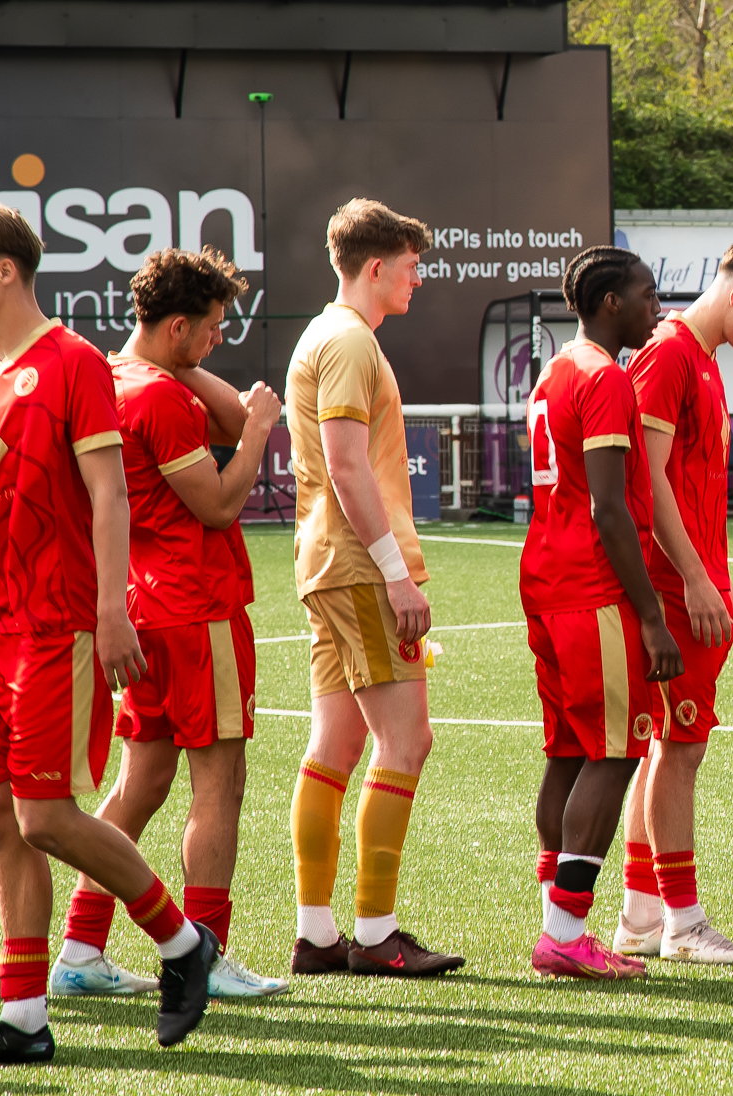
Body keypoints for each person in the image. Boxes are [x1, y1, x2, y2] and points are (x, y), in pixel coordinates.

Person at [0, 199, 217, 1065]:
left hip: (55, 625)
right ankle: (23, 1019)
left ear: (5, 270)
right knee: (0, 818)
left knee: (44, 816)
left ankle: (181, 943)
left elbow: (110, 494)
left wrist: (112, 611)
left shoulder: (75, 362)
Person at [50, 248, 292, 1000]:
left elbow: (221, 405)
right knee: (219, 783)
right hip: (196, 610)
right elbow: (218, 502)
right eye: (211, 327)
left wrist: (184, 363)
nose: (219, 340)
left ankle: (81, 949)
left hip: (144, 611)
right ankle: (205, 956)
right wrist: (258, 434)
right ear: (177, 325)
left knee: (142, 783)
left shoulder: (116, 378)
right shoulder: (157, 397)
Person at [284, 199, 463, 979]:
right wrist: (396, 573)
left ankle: (317, 933)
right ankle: (376, 932)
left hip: (327, 561)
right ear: (377, 266)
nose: (417, 279)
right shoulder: (351, 339)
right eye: (412, 267)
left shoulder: (329, 334)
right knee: (405, 741)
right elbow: (347, 464)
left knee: (336, 746)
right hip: (359, 565)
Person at [613, 235, 733, 965]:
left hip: (689, 585)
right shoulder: (668, 355)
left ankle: (640, 916)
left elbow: (690, 489)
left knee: (667, 746)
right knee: (680, 749)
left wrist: (719, 581)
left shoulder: (702, 360)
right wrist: (693, 580)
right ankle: (683, 922)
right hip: (668, 589)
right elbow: (648, 480)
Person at [522, 245, 679, 980]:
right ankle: (565, 932)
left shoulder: (555, 371)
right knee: (614, 753)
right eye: (648, 295)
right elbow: (609, 509)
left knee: (567, 750)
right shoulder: (606, 377)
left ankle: (555, 918)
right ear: (610, 302)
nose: (657, 307)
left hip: (547, 581)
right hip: (593, 588)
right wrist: (651, 616)